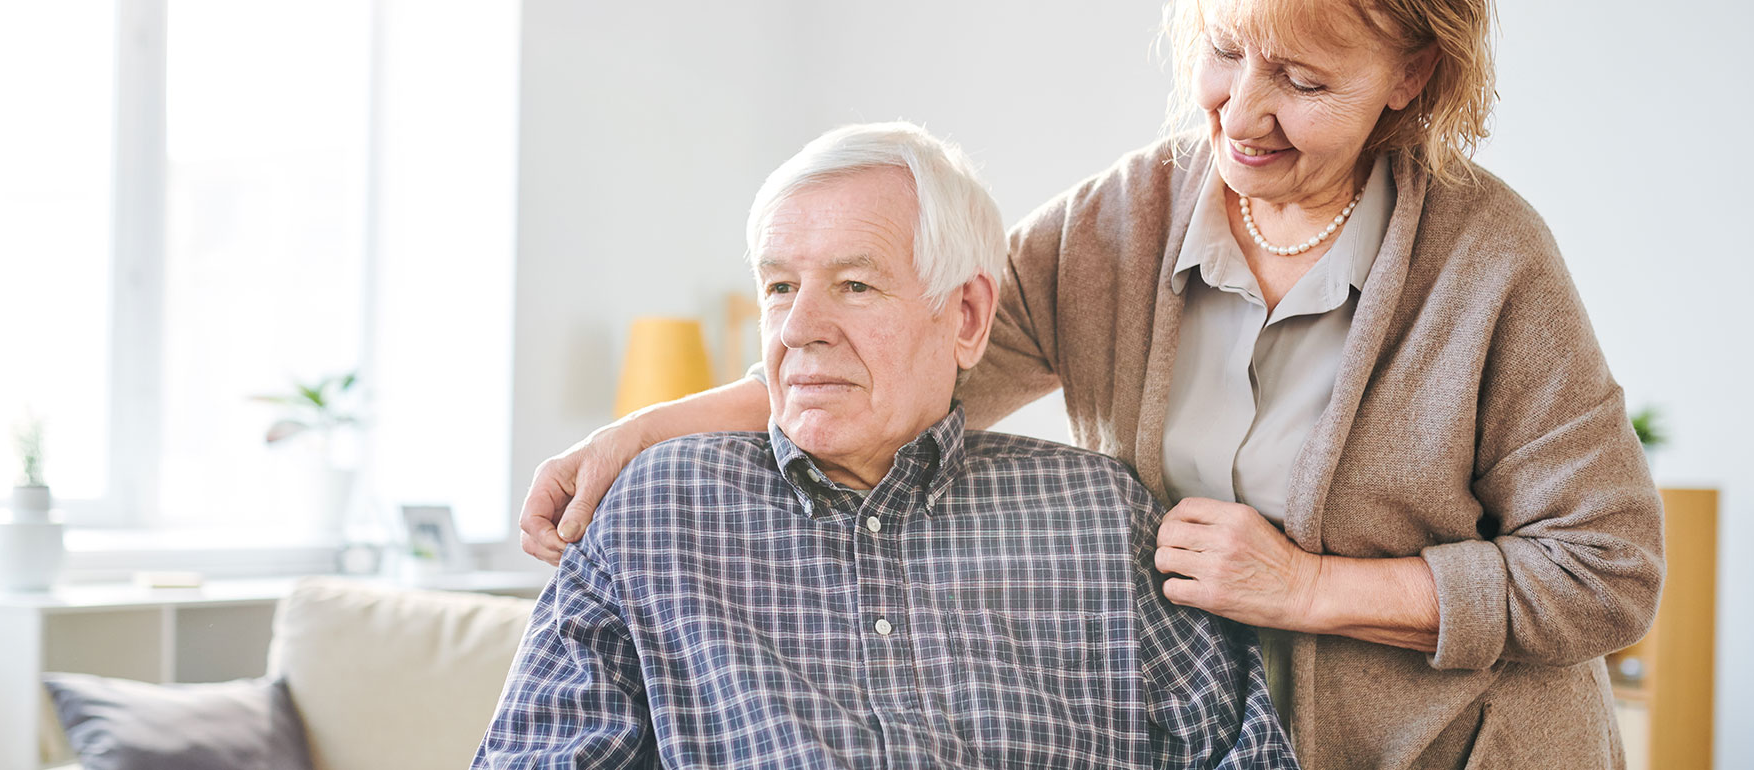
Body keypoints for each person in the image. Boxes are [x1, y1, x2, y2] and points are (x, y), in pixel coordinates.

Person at [519, 0, 1665, 766]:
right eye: (1224, 51)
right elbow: (912, 350)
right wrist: (640, 436)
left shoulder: (1487, 256)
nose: (1242, 110)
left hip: (1452, 746)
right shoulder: (1125, 220)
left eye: (1302, 79)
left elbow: (1607, 570)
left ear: (1409, 75)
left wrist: (1310, 587)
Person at [476, 123, 1298, 769]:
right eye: (779, 288)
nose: (798, 331)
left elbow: (1244, 756)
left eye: (855, 285)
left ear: (968, 318)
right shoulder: (657, 512)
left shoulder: (1099, 516)